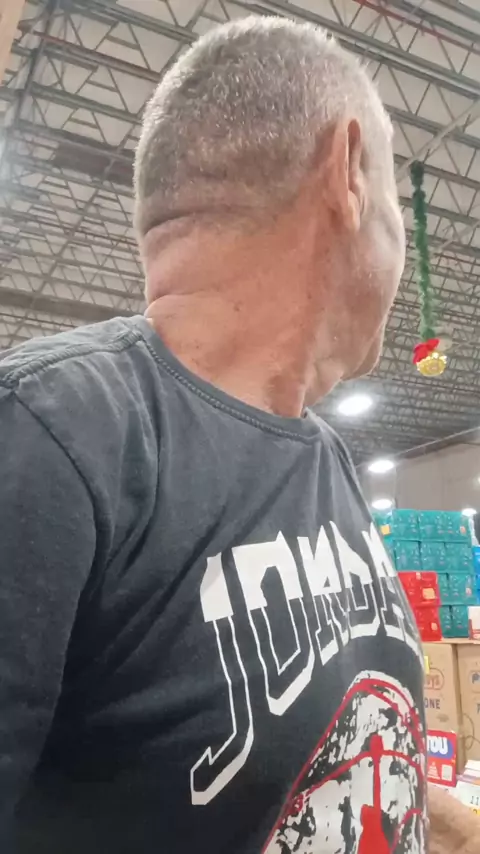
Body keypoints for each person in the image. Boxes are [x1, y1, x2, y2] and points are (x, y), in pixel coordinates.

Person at [0, 14, 477, 854]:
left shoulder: (324, 458)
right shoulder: (51, 434)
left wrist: (447, 821)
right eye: (397, 202)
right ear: (348, 172)